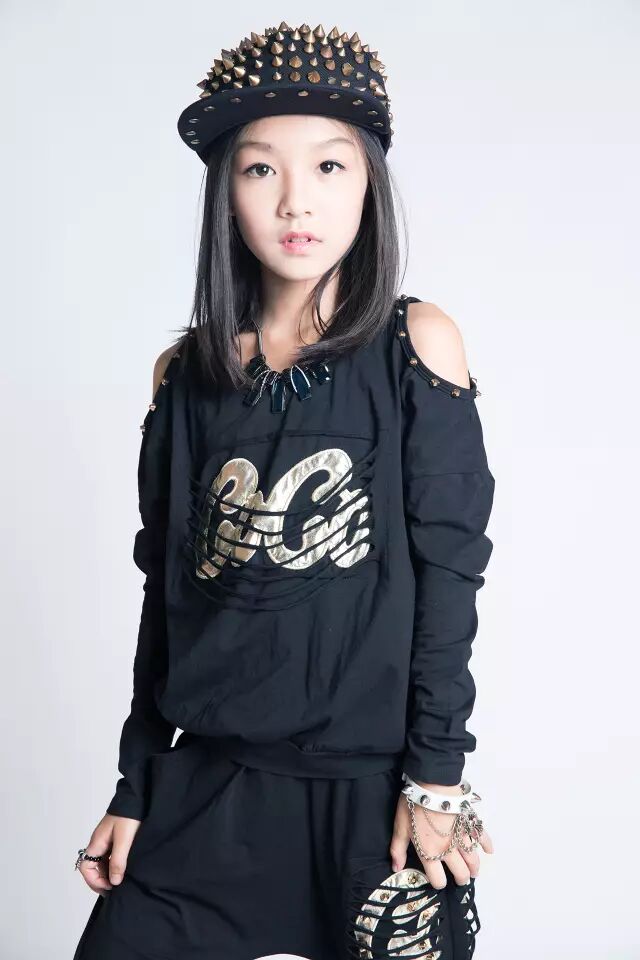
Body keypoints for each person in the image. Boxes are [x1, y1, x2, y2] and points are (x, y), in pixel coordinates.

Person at [72, 20, 496, 960]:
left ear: (369, 184)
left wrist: (435, 777)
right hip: (210, 788)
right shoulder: (184, 377)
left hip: (375, 799)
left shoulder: (416, 347)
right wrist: (137, 783)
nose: (296, 199)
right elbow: (167, 594)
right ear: (226, 193)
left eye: (330, 166)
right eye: (260, 169)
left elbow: (450, 577)